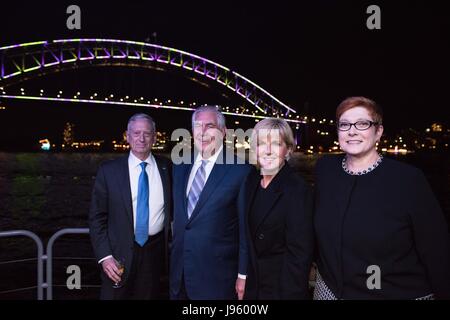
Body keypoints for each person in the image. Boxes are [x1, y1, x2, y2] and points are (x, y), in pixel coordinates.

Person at [313, 96, 450, 299]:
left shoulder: (408, 179)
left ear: (378, 132)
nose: (352, 131)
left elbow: (435, 248)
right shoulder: (326, 169)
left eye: (362, 124)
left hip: (392, 293)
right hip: (330, 291)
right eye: (344, 125)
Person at [170, 105, 253, 300]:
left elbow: (245, 230)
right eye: (198, 125)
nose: (203, 131)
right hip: (179, 278)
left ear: (223, 132)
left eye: (210, 126)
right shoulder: (179, 166)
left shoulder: (241, 171)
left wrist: (243, 274)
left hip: (217, 280)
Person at [89, 113, 171, 299]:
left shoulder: (168, 168)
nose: (141, 139)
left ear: (155, 137)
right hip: (117, 257)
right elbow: (97, 218)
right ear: (127, 136)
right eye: (136, 133)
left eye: (147, 133)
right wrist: (105, 256)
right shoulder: (108, 171)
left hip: (154, 256)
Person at [243, 118, 314, 299]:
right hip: (252, 286)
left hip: (279, 289)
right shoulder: (250, 181)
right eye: (261, 144)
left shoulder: (297, 189)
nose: (267, 151)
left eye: (275, 144)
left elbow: (300, 255)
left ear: (288, 149)